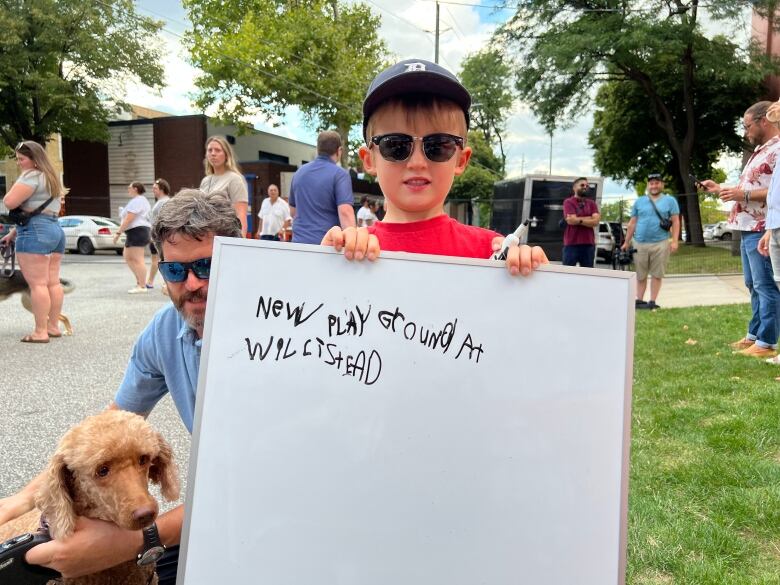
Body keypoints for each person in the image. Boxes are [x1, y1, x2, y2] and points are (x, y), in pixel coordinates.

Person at [0, 190, 242, 583]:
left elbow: (274, 486)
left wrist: (139, 541)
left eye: (207, 266)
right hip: (220, 500)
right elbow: (113, 423)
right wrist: (23, 500)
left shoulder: (280, 331)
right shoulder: (165, 330)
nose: (193, 283)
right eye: (176, 271)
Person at [321, 58, 547, 274]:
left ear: (461, 160)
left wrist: (537, 278)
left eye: (439, 145)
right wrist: (323, 264)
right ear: (369, 160)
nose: (417, 162)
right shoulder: (349, 251)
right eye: (396, 146)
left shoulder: (494, 254)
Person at [701, 100, 780, 358]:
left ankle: (766, 342)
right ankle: (754, 335)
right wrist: (721, 189)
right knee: (752, 283)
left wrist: (742, 194)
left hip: (762, 227)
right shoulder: (761, 151)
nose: (745, 132)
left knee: (765, 284)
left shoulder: (778, 149)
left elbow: (775, 192)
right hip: (748, 227)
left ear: (763, 121)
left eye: (747, 126)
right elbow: (749, 188)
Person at [0, 140, 68, 342]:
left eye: (21, 159)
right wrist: (13, 233)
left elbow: (9, 202)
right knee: (53, 282)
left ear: (34, 159)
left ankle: (40, 332)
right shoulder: (52, 177)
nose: (19, 163)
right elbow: (42, 210)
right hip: (55, 229)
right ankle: (53, 326)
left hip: (35, 231)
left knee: (37, 284)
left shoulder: (31, 175)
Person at [621, 173, 680, 309]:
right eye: (651, 183)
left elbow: (676, 221)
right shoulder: (639, 201)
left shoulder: (670, 201)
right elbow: (632, 223)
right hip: (639, 243)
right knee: (640, 274)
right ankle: (639, 300)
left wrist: (675, 241)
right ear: (648, 185)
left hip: (661, 242)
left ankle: (652, 301)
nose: (654, 186)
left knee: (657, 273)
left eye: (657, 183)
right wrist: (626, 241)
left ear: (662, 185)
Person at [289, 130, 355, 244]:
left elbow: (292, 211)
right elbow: (345, 212)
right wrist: (352, 242)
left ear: (317, 149)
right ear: (339, 151)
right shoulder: (340, 174)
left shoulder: (299, 172)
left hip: (298, 243)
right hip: (326, 246)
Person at [199, 135, 249, 237]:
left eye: (218, 150)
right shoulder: (205, 181)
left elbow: (241, 214)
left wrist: (240, 242)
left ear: (226, 155)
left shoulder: (235, 179)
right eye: (210, 150)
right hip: (205, 238)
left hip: (225, 236)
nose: (213, 153)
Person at [114, 182, 152, 294]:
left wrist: (118, 232)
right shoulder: (136, 200)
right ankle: (139, 281)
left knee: (137, 259)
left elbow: (129, 218)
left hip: (138, 230)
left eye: (129, 188)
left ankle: (142, 285)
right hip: (134, 231)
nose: (128, 190)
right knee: (127, 256)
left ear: (135, 188)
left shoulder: (139, 200)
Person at [562, 177, 600, 267]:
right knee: (567, 274)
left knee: (587, 275)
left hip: (588, 245)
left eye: (587, 185)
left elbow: (596, 222)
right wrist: (589, 218)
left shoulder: (592, 203)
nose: (585, 187)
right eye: (582, 185)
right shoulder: (568, 202)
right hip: (571, 244)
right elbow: (571, 221)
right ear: (574, 187)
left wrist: (578, 220)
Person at [146, 178, 172, 294]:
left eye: (155, 188)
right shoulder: (160, 201)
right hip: (156, 234)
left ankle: (167, 283)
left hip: (160, 235)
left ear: (162, 189)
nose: (153, 191)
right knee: (156, 260)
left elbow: (163, 220)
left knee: (163, 260)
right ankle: (150, 282)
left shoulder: (164, 202)